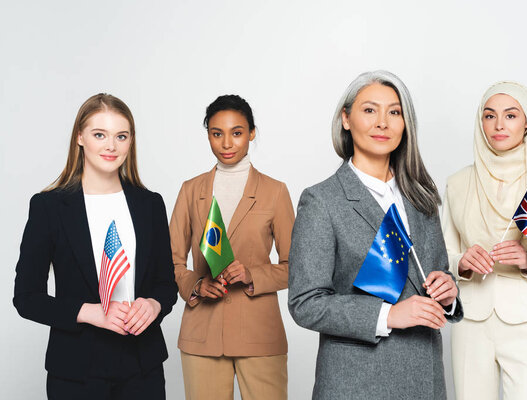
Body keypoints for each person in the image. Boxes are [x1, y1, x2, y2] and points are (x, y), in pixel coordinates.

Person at [288, 70, 463, 400]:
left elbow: (438, 273)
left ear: (405, 123)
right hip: (356, 383)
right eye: (370, 110)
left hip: (423, 380)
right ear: (346, 119)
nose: (383, 122)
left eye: (394, 112)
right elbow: (305, 303)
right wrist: (389, 315)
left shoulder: (422, 197)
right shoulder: (322, 200)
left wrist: (449, 292)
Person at [13, 93, 178, 399]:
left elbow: (166, 283)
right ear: (80, 137)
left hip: (143, 367)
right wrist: (90, 312)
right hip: (76, 372)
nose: (111, 146)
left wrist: (154, 304)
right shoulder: (49, 206)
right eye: (99, 134)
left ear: (131, 142)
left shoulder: (150, 204)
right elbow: (26, 297)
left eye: (121, 136)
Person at [442, 81, 527, 399]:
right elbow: (442, 255)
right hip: (471, 323)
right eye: (489, 116)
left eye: (511, 115)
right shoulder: (458, 183)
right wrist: (461, 262)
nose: (499, 124)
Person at [170, 94, 294, 400]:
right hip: (202, 335)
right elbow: (170, 262)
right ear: (208, 135)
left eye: (237, 133)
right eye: (217, 134)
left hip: (259, 335)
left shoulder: (275, 192)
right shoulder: (190, 191)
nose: (226, 143)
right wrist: (196, 286)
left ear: (252, 133)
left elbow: (297, 267)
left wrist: (253, 274)